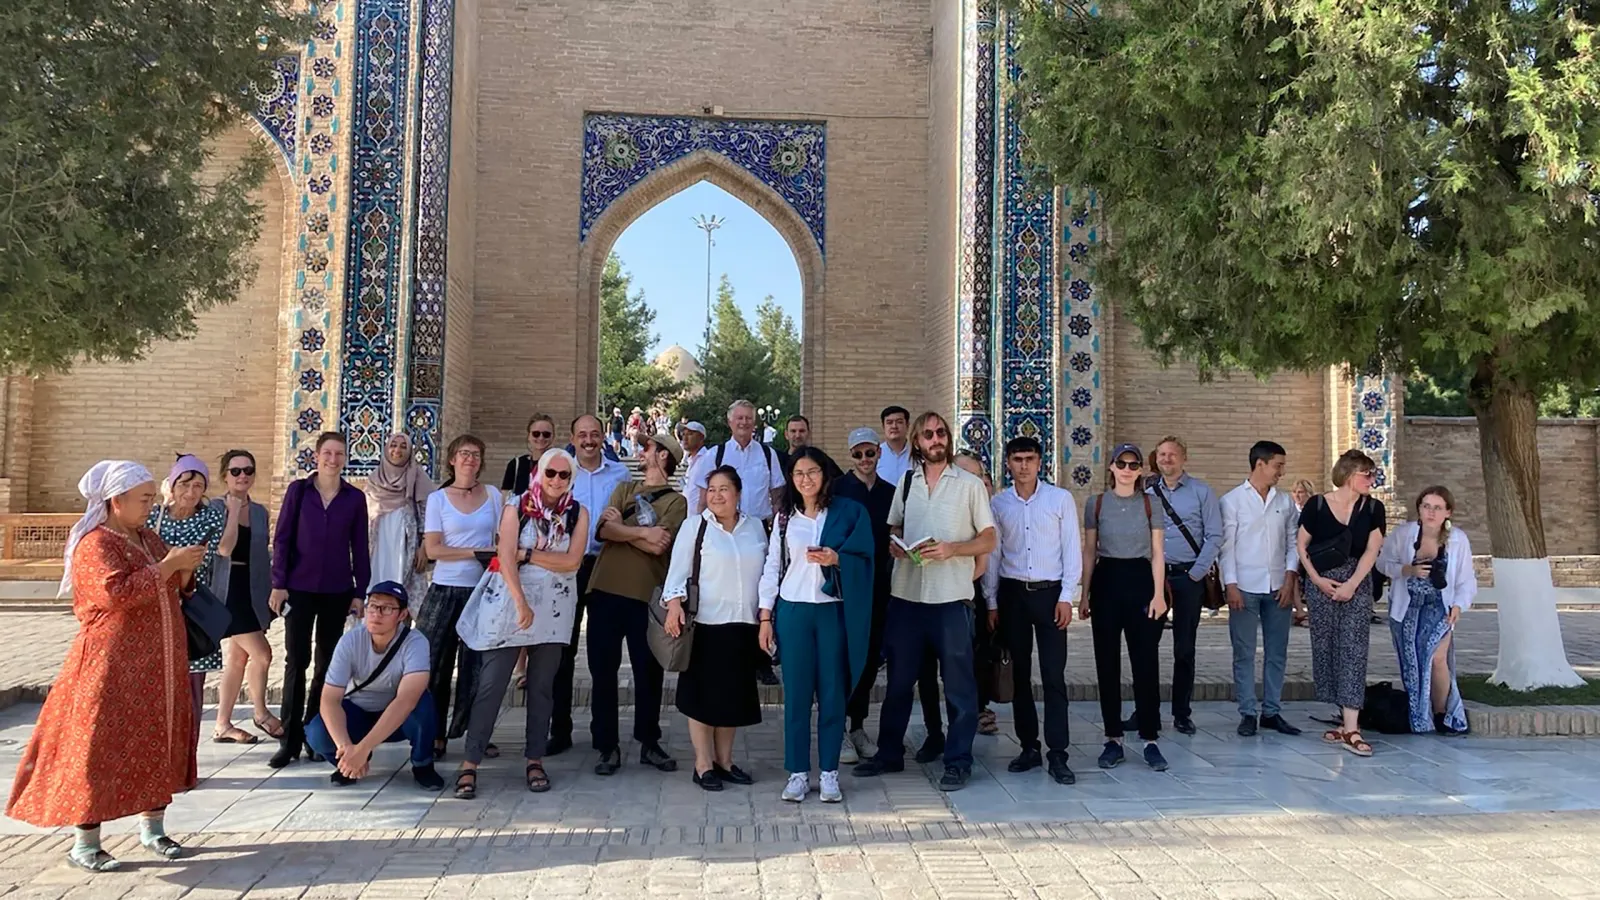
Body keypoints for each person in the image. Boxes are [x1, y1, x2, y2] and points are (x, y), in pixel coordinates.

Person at [7, 461, 207, 871]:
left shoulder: (147, 538)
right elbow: (114, 594)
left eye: (152, 498)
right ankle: (86, 842)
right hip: (111, 665)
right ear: (116, 501)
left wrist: (184, 572)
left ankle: (153, 828)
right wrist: (168, 567)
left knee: (156, 738)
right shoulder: (95, 544)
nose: (151, 506)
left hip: (157, 667)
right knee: (97, 746)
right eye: (144, 499)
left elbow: (171, 584)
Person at [854, 411, 996, 792]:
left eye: (941, 433)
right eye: (929, 435)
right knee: (899, 682)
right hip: (907, 595)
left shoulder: (969, 484)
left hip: (951, 598)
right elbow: (895, 526)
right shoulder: (906, 481)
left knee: (959, 687)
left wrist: (954, 549)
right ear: (917, 442)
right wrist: (896, 546)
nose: (936, 439)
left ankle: (958, 760)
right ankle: (889, 754)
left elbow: (988, 538)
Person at [454, 449, 588, 797]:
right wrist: (520, 601)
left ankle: (534, 759)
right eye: (551, 473)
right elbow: (505, 557)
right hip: (513, 604)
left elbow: (572, 561)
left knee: (542, 686)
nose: (557, 480)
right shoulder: (517, 507)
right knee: (492, 684)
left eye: (564, 475)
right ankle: (470, 763)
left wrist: (529, 555)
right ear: (539, 472)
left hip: (555, 609)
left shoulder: (577, 513)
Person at [759, 448, 875, 803]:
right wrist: (765, 617)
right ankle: (797, 772)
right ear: (791, 479)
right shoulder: (784, 518)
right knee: (795, 695)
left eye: (812, 472)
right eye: (798, 473)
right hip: (794, 611)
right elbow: (772, 567)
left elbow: (866, 555)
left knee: (831, 692)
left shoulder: (848, 512)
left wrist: (837, 558)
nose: (805, 479)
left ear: (824, 475)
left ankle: (828, 773)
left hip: (832, 611)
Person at [980, 436, 1080, 785]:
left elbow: (1072, 549)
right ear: (1007, 462)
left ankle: (1058, 752)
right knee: (1018, 674)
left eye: (1030, 459)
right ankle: (1029, 747)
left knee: (1053, 675)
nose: (1024, 465)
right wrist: (991, 601)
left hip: (1050, 594)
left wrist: (1068, 596)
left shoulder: (1059, 499)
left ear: (1040, 462)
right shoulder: (999, 504)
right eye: (1017, 459)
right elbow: (993, 555)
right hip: (1012, 595)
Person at [587, 433, 688, 775]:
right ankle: (606, 746)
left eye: (648, 448)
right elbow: (602, 532)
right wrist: (642, 534)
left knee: (648, 672)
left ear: (662, 457)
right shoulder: (625, 490)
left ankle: (649, 741)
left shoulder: (677, 502)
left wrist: (622, 530)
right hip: (604, 591)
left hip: (646, 596)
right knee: (603, 671)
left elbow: (661, 546)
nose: (642, 453)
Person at [269, 431, 371, 769]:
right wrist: (278, 583)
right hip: (299, 588)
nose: (333, 459)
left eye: (339, 454)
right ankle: (289, 739)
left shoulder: (354, 498)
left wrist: (360, 592)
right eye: (327, 453)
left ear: (345, 458)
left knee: (327, 664)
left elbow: (360, 546)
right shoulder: (299, 492)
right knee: (296, 661)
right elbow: (282, 538)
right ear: (317, 456)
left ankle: (315, 734)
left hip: (337, 590)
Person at [661, 466, 766, 791]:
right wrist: (674, 606)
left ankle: (725, 760)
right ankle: (703, 763)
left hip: (743, 624)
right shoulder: (696, 527)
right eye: (711, 489)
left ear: (738, 493)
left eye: (724, 489)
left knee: (732, 697)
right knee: (702, 698)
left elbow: (767, 573)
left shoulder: (756, 529)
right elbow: (676, 573)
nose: (716, 495)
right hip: (705, 624)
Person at [305, 580, 444, 790]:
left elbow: (405, 701)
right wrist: (348, 748)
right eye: (372, 606)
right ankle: (348, 765)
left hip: (397, 716)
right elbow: (330, 699)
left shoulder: (416, 642)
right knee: (317, 732)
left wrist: (364, 747)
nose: (377, 614)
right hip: (359, 710)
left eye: (387, 608)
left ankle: (422, 764)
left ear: (402, 615)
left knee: (423, 707)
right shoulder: (350, 641)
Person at [1082, 443, 1170, 771]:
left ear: (1139, 470)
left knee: (1145, 662)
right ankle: (1113, 738)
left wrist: (1158, 594)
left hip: (1141, 579)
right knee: (1106, 662)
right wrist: (1085, 593)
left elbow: (1158, 551)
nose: (1128, 469)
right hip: (1107, 580)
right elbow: (1090, 550)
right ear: (1112, 466)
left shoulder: (1151, 504)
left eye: (1134, 465)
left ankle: (1149, 738)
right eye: (1122, 463)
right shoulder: (1097, 503)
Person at [548, 414, 632, 755]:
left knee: (603, 655)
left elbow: (628, 518)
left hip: (607, 567)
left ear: (603, 438)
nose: (588, 440)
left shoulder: (621, 474)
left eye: (594, 434)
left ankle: (605, 738)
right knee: (562, 652)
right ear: (572, 437)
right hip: (567, 568)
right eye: (582, 434)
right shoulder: (560, 473)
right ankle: (560, 730)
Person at [147, 454, 234, 775]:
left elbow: (201, 561)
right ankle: (158, 759)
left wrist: (171, 566)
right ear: (173, 485)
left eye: (199, 486)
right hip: (156, 612)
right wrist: (171, 565)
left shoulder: (210, 518)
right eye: (186, 484)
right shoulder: (154, 516)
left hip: (192, 615)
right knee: (159, 688)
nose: (192, 492)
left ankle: (184, 764)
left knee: (192, 690)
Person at [416, 434, 501, 759]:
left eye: (476, 454)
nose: (470, 459)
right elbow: (434, 549)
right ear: (452, 459)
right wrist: (475, 551)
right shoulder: (438, 499)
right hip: (444, 590)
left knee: (476, 667)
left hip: (481, 590)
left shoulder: (492, 496)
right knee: (434, 663)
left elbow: (500, 538)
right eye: (464, 454)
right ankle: (435, 732)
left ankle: (473, 733)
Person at [1298, 449, 1385, 757]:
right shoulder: (1318, 505)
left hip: (1356, 584)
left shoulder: (1374, 508)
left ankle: (1352, 727)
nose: (1372, 480)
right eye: (1367, 474)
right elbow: (1301, 544)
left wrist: (1351, 584)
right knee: (1328, 649)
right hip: (1321, 583)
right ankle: (1343, 718)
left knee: (1353, 649)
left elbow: (1372, 551)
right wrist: (1317, 581)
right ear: (1350, 474)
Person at [1219, 441, 1304, 738]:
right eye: (1278, 465)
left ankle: (1272, 711)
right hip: (1244, 586)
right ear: (1260, 464)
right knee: (1244, 652)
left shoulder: (1284, 503)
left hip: (1278, 585)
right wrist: (1230, 584)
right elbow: (1226, 546)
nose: (1281, 471)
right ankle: (1247, 712)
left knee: (1277, 651)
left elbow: (1294, 543)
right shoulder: (1232, 501)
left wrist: (1290, 577)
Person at [1138, 437, 1221, 734]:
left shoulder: (1201, 492)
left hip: (1187, 578)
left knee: (1184, 648)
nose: (1167, 459)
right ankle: (1144, 711)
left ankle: (1181, 713)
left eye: (1172, 454)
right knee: (1146, 647)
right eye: (1161, 454)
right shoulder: (1146, 493)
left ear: (1184, 458)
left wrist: (1196, 573)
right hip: (1154, 580)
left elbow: (1214, 535)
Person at [1377, 486, 1475, 735]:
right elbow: (1382, 563)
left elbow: (1466, 579)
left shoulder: (1457, 540)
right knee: (1414, 663)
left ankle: (1444, 713)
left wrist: (1458, 605)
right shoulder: (1403, 534)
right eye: (1426, 506)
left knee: (1437, 658)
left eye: (1437, 508)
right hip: (1407, 609)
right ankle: (1420, 715)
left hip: (1440, 608)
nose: (1431, 512)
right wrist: (1407, 570)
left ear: (1447, 512)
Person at [832, 427, 895, 765]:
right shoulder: (839, 491)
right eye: (858, 454)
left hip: (880, 587)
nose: (865, 460)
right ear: (851, 456)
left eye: (870, 453)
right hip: (848, 587)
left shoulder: (891, 493)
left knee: (870, 659)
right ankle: (838, 728)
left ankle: (857, 725)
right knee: (844, 658)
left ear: (879, 453)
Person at [210, 450, 282, 745]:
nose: (243, 477)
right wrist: (232, 511)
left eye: (248, 471)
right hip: (227, 590)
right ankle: (261, 713)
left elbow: (264, 554)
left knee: (238, 658)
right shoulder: (215, 508)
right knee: (263, 654)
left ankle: (222, 724)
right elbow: (224, 549)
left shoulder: (259, 512)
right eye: (236, 471)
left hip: (252, 589)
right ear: (225, 475)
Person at [686, 399, 785, 519]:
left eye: (748, 418)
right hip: (722, 528)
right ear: (730, 422)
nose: (744, 422)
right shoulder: (715, 455)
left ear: (754, 422)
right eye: (740, 418)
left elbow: (777, 498)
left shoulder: (768, 454)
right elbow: (703, 500)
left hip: (758, 528)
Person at [365, 432, 433, 597]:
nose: (397, 450)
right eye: (393, 445)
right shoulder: (374, 479)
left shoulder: (416, 475)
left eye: (403, 446)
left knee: (403, 587)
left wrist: (424, 546)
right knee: (375, 582)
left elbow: (428, 513)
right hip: (377, 542)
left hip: (405, 543)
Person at [501, 413, 556, 495]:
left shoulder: (561, 464)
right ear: (529, 436)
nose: (541, 438)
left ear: (553, 437)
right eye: (536, 434)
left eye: (546, 434)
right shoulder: (516, 464)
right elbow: (505, 499)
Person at [780, 414, 843, 480]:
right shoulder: (778, 462)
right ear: (786, 434)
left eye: (802, 431)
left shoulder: (820, 458)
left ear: (809, 433)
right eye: (793, 431)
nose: (797, 435)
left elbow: (840, 481)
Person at [876, 406, 913, 487]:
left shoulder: (918, 454)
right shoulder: (875, 455)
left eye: (899, 422)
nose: (894, 426)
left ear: (907, 425)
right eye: (889, 422)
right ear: (883, 426)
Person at [679, 421, 710, 513]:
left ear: (701, 438)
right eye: (683, 434)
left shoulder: (707, 459)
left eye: (690, 434)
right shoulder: (691, 460)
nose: (685, 438)